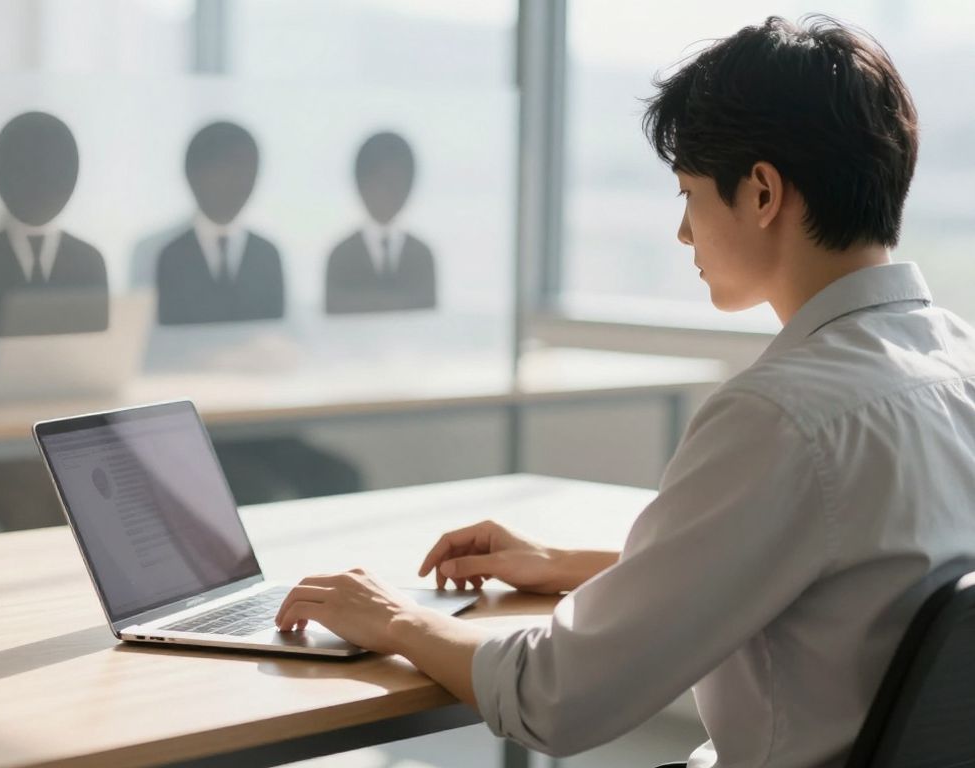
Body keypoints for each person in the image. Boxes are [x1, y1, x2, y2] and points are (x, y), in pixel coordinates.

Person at [275, 16, 975, 766]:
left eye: (689, 194)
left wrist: (392, 618)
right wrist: (565, 563)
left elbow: (553, 696)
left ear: (764, 192)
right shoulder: (956, 363)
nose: (682, 234)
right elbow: (828, 573)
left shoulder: (780, 418)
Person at [0, 111, 108, 339]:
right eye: (23, 167)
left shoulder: (90, 262)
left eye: (51, 167)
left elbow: (99, 346)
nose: (39, 179)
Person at [156, 121, 285, 326]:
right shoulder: (168, 255)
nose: (240, 183)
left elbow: (277, 328)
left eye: (247, 171)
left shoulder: (267, 254)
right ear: (194, 174)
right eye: (226, 170)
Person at [325, 131, 436, 315]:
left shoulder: (422, 255)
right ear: (361, 184)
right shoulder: (341, 256)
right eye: (380, 182)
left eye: (396, 183)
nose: (388, 193)